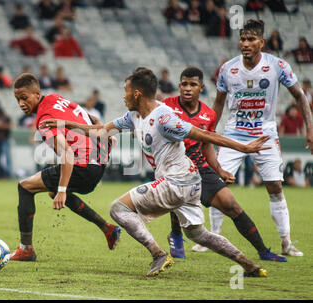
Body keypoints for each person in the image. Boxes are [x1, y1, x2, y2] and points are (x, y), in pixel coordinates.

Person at [40, 67, 270, 277]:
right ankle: (249, 265)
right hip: (188, 182)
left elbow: (205, 135)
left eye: (126, 91)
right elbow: (100, 130)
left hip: (177, 181)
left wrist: (245, 148)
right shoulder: (134, 115)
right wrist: (67, 124)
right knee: (198, 234)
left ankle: (158, 254)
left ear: (137, 94)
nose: (123, 95)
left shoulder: (164, 117)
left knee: (118, 209)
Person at [211, 19, 313, 257]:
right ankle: (213, 236)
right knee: (218, 183)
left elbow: (299, 96)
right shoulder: (228, 68)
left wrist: (310, 128)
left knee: (275, 187)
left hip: (265, 135)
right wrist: (209, 133)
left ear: (261, 42)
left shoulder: (277, 65)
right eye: (242, 39)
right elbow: (218, 103)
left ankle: (286, 243)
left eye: (251, 39)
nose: (245, 44)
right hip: (234, 134)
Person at [162, 67, 286, 262]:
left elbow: (207, 146)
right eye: (184, 84)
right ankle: (176, 235)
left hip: (200, 167)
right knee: (177, 194)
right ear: (179, 86)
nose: (187, 88)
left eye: (192, 84)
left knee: (231, 205)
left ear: (201, 87)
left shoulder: (208, 114)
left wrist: (219, 170)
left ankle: (263, 251)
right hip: (174, 166)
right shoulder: (166, 106)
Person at [9, 73, 121, 262]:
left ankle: (26, 249)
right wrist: (105, 138)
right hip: (99, 164)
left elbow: (67, 153)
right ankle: (107, 229)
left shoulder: (44, 119)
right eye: (17, 99)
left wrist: (62, 190)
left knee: (25, 187)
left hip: (82, 166)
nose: (20, 103)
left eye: (24, 97)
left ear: (37, 94)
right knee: (52, 190)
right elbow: (91, 117)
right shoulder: (55, 99)